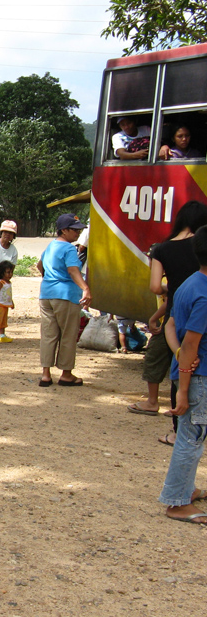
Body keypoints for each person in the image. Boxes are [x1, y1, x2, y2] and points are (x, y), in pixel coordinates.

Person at [127, 201, 207, 435]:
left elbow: (155, 287)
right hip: (201, 311)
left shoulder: (161, 249)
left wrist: (163, 299)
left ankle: (155, 404)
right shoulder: (201, 246)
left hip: (175, 312)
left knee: (166, 359)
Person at [158, 225, 207, 525]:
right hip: (198, 379)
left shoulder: (189, 284)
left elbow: (171, 326)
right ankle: (176, 502)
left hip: (189, 374)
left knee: (192, 437)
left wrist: (179, 359)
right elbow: (191, 344)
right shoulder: (203, 294)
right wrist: (184, 391)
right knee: (192, 437)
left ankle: (185, 490)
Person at [37, 213, 91, 386]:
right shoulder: (69, 248)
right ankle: (66, 374)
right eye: (74, 230)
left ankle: (46, 374)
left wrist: (50, 279)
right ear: (64, 230)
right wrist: (86, 288)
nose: (77, 233)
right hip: (66, 295)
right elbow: (73, 270)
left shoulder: (51, 246)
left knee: (48, 334)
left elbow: (40, 265)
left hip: (46, 294)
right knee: (68, 334)